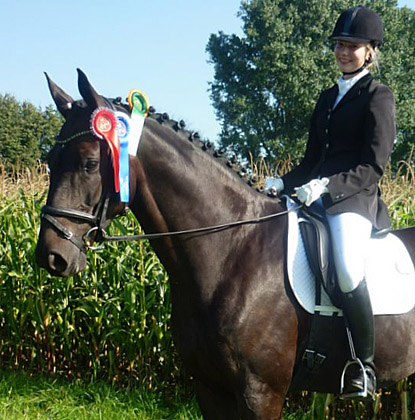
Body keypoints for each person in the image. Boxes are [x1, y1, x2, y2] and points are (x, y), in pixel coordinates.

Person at [266, 6, 395, 399]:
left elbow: (373, 166)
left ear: (370, 51)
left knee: (346, 268)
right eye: (339, 44)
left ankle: (364, 366)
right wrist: (281, 182)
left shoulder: (378, 96)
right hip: (314, 197)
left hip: (354, 202)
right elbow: (310, 162)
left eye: (352, 46)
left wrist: (326, 188)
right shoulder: (326, 98)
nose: (343, 51)